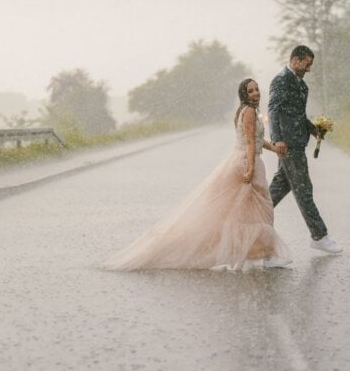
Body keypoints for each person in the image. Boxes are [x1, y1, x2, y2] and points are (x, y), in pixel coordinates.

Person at [103, 78, 292, 271]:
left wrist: (274, 149)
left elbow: (256, 141)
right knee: (259, 211)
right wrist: (251, 169)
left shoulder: (246, 111)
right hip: (246, 162)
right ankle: (265, 255)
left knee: (247, 213)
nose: (255, 94)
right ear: (244, 95)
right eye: (251, 91)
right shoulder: (250, 112)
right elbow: (251, 143)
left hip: (243, 159)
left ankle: (260, 254)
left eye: (257, 90)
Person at [269, 45, 343, 254]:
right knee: (304, 190)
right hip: (288, 145)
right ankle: (319, 235)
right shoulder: (281, 80)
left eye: (310, 65)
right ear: (295, 60)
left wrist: (314, 130)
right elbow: (273, 110)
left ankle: (251, 219)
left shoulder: (301, 85)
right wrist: (277, 139)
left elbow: (298, 116)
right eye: (307, 64)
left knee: (279, 188)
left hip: (297, 142)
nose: (308, 69)